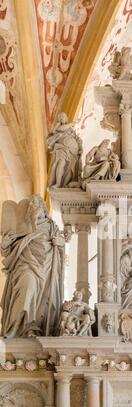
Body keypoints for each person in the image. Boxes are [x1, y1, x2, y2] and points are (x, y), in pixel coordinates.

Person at [1, 195, 64, 337]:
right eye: (31, 204)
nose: (33, 206)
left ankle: (34, 327)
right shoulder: (22, 225)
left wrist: (59, 243)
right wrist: (4, 244)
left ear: (43, 208)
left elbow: (60, 246)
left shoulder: (51, 226)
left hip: (46, 269)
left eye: (36, 204)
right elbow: (8, 251)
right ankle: (18, 328)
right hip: (26, 266)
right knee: (27, 287)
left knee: (44, 299)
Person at [47, 112, 82, 188]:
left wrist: (80, 147)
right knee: (61, 162)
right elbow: (60, 129)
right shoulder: (59, 126)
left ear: (66, 118)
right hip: (62, 147)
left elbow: (77, 138)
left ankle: (65, 185)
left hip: (73, 151)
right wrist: (72, 123)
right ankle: (58, 183)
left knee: (71, 169)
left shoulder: (71, 129)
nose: (62, 118)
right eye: (60, 117)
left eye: (63, 116)